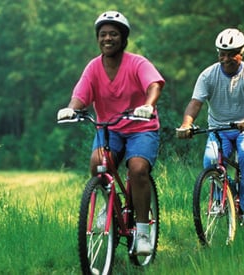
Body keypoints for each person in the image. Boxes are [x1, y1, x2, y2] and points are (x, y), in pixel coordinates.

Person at [57, 11, 165, 255]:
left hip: (141, 127)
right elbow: (81, 95)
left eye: (113, 34)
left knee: (137, 169)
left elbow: (154, 85)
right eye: (103, 34)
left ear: (123, 39)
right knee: (97, 163)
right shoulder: (94, 67)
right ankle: (107, 207)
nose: (108, 38)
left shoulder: (137, 63)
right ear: (98, 38)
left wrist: (148, 105)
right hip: (110, 129)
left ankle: (143, 231)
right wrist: (71, 109)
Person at [176, 28, 244, 222]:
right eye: (222, 54)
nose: (225, 59)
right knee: (211, 160)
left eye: (231, 54)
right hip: (219, 129)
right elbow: (195, 103)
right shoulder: (208, 75)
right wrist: (187, 124)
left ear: (241, 54)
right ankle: (221, 201)